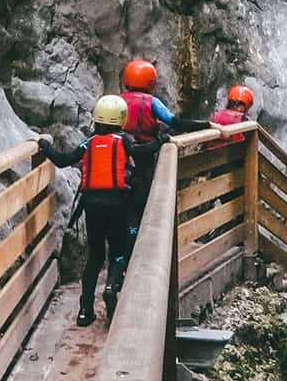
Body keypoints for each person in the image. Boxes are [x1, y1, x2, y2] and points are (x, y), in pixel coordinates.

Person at [38, 95, 160, 325]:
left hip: (92, 205)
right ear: (121, 119)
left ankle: (85, 310)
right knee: (118, 252)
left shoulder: (89, 142)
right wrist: (160, 141)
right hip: (119, 204)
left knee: (94, 257)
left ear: (97, 119)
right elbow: (141, 151)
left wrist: (45, 146)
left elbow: (63, 160)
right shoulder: (124, 141)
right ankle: (112, 287)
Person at [112, 58, 211, 288]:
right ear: (150, 82)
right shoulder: (152, 102)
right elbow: (174, 121)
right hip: (144, 157)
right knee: (141, 204)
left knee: (126, 209)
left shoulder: (117, 102)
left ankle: (120, 262)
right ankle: (137, 253)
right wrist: (206, 124)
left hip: (121, 158)